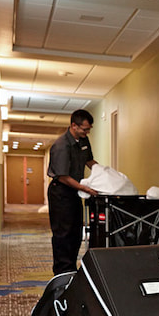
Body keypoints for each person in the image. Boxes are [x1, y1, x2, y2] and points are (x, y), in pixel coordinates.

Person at [47, 109, 98, 274]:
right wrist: (84, 188)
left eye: (89, 129)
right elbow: (62, 177)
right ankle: (62, 271)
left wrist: (104, 174)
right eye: (84, 129)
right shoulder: (62, 145)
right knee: (63, 233)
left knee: (76, 231)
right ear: (73, 126)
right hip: (61, 192)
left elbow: (89, 161)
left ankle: (71, 268)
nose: (87, 132)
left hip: (75, 192)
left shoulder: (83, 140)